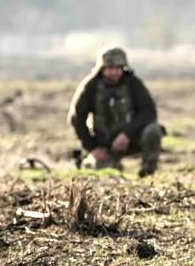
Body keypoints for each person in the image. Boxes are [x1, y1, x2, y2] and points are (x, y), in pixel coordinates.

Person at [67, 47, 163, 177]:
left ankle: (148, 171)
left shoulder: (133, 84)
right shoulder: (91, 86)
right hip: (103, 144)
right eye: (110, 68)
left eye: (118, 68)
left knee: (153, 130)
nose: (115, 72)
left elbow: (148, 112)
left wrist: (126, 134)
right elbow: (76, 118)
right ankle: (89, 160)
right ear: (102, 69)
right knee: (106, 174)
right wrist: (93, 147)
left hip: (131, 140)